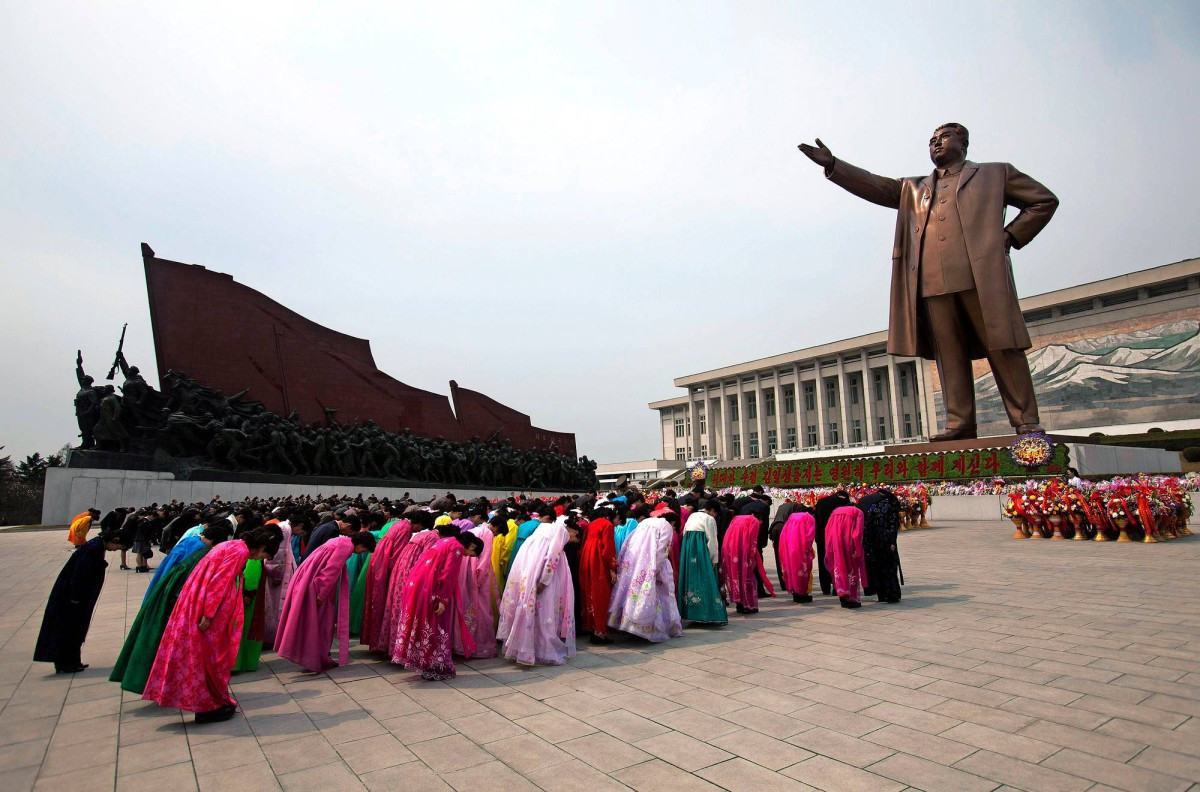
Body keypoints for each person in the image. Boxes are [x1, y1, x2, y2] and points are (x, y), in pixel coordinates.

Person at [798, 124, 1058, 440]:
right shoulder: (915, 188)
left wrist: (1009, 236)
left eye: (943, 137)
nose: (936, 143)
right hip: (931, 283)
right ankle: (959, 423)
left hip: (981, 278)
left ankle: (1025, 420)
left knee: (1003, 346)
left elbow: (1043, 200)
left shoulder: (995, 174)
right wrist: (834, 165)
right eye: (931, 140)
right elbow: (876, 186)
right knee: (949, 354)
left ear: (963, 143)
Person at [142, 529, 277, 723]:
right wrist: (209, 613)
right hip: (211, 609)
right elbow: (219, 582)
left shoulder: (232, 544)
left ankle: (207, 702)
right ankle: (208, 705)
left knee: (200, 655)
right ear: (262, 547)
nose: (260, 559)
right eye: (265, 555)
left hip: (197, 599)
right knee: (211, 657)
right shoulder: (240, 552)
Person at [110, 527, 223, 694]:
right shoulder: (198, 550)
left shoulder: (191, 540)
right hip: (171, 597)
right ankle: (156, 683)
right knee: (160, 642)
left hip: (163, 588)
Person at [275, 531, 377, 672]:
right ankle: (315, 657)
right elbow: (331, 570)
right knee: (322, 623)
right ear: (360, 544)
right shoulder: (346, 547)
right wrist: (321, 594)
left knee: (308, 620)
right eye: (363, 549)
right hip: (315, 585)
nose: (360, 553)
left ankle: (309, 655)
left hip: (307, 578)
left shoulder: (340, 540)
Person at [35, 527, 132, 674]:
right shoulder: (93, 548)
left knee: (76, 629)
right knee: (70, 629)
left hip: (78, 597)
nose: (116, 549)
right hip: (73, 598)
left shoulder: (97, 546)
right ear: (115, 540)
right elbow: (80, 574)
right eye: (119, 547)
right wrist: (75, 597)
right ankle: (66, 662)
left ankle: (72, 661)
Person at [391, 530, 483, 680]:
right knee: (435, 626)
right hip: (430, 589)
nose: (467, 556)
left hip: (417, 585)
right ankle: (433, 665)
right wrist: (442, 599)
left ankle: (423, 663)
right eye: (470, 554)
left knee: (421, 625)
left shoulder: (445, 541)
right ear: (472, 545)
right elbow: (449, 575)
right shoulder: (457, 547)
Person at [497, 514, 576, 666]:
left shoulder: (542, 528)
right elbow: (553, 557)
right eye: (573, 534)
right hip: (542, 577)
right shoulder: (559, 531)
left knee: (529, 610)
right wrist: (544, 581)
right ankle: (542, 650)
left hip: (528, 573)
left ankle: (523, 648)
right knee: (544, 613)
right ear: (572, 530)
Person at [608, 516, 684, 642]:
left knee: (632, 593)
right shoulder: (666, 526)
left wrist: (623, 561)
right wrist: (655, 570)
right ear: (673, 522)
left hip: (633, 562)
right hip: (652, 564)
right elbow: (663, 550)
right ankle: (652, 627)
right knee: (660, 596)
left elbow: (627, 541)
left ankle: (630, 624)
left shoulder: (644, 523)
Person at [377, 511, 439, 654]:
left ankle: (391, 645)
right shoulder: (430, 536)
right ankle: (402, 648)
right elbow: (426, 560)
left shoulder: (400, 524)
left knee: (394, 605)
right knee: (405, 607)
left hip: (397, 568)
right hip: (405, 570)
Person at [360, 516, 413, 650]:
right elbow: (397, 553)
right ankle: (383, 643)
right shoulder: (406, 528)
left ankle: (377, 641)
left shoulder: (397, 524)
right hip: (386, 564)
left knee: (377, 601)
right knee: (385, 602)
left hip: (378, 559)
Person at [454, 516, 502, 658]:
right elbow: (485, 556)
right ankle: (478, 645)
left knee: (463, 604)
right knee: (481, 609)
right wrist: (479, 580)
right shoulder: (486, 533)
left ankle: (460, 644)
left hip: (464, 568)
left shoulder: (473, 529)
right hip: (475, 568)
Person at [677, 500, 727, 625]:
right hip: (702, 553)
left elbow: (684, 534)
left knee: (691, 581)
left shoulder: (692, 516)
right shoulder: (709, 519)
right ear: (712, 510)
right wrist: (714, 559)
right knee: (706, 581)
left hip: (689, 553)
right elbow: (712, 541)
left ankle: (690, 612)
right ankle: (707, 613)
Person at [578, 505, 618, 644]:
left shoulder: (592, 523)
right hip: (598, 561)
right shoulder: (607, 525)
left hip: (587, 558)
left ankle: (593, 627)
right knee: (601, 593)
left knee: (589, 592)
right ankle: (600, 631)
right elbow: (608, 548)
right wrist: (612, 568)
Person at [721, 514, 774, 614]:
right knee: (748, 579)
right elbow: (753, 541)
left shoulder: (736, 519)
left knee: (735, 576)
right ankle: (748, 605)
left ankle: (739, 604)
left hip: (730, 550)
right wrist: (752, 556)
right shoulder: (753, 521)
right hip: (744, 551)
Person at [858, 490, 903, 604]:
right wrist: (892, 541)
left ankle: (881, 594)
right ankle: (892, 594)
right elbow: (893, 525)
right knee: (889, 568)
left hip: (873, 541)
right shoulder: (890, 505)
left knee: (877, 567)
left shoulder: (872, 505)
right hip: (886, 541)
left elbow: (867, 524)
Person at [825, 506, 868, 609]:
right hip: (849, 542)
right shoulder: (858, 512)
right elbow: (857, 534)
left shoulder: (834, 511)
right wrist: (858, 549)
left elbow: (827, 529)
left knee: (839, 567)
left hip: (835, 542)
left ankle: (842, 596)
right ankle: (851, 598)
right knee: (851, 569)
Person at [813, 490, 852, 596]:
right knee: (838, 561)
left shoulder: (821, 501)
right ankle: (837, 587)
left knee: (823, 562)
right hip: (837, 536)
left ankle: (825, 588)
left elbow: (816, 519)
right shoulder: (843, 502)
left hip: (821, 536)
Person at [778, 511, 817, 604]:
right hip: (801, 549)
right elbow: (809, 538)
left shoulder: (791, 519)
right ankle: (802, 593)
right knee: (802, 570)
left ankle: (795, 592)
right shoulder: (809, 519)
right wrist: (808, 550)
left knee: (791, 569)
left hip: (788, 547)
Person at [768, 501, 804, 590]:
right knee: (788, 556)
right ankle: (790, 581)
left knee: (778, 557)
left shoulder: (782, 506)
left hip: (775, 528)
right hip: (784, 528)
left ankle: (783, 583)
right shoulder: (797, 507)